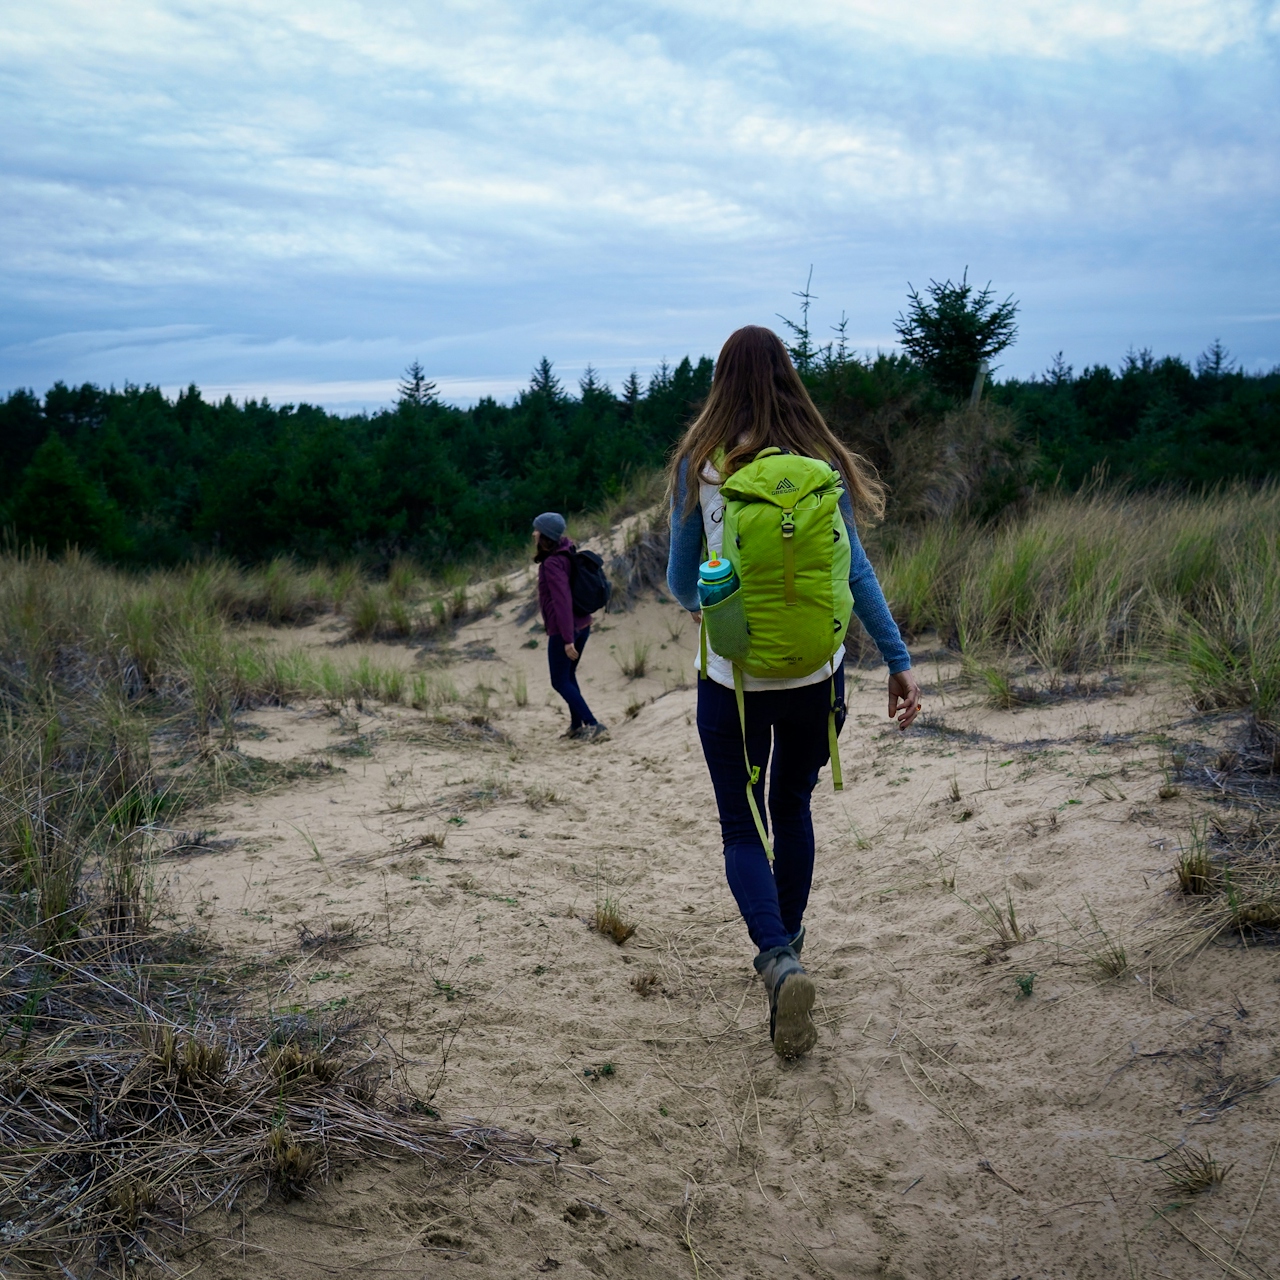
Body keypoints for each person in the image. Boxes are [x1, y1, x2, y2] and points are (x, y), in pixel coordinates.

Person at [666, 326, 920, 1058]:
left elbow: (683, 583)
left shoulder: (698, 466)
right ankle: (793, 943)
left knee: (743, 826)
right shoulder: (819, 461)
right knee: (793, 807)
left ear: (720, 382)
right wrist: (898, 660)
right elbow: (858, 574)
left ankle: (778, 962)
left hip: (731, 680)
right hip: (817, 676)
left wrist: (707, 597)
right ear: (787, 379)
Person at [533, 512, 608, 741]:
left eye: (537, 530)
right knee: (568, 675)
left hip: (566, 630)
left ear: (544, 535)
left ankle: (593, 724)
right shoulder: (567, 552)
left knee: (559, 680)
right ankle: (577, 726)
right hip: (582, 625)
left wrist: (566, 639)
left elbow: (562, 601)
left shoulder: (553, 563)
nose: (533, 533)